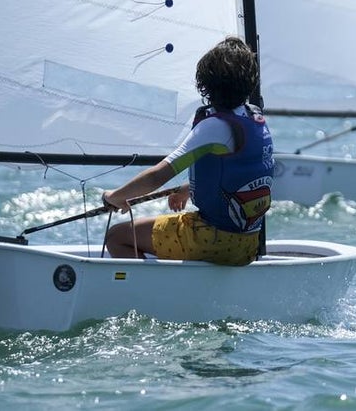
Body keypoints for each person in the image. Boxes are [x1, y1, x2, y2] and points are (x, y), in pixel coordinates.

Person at [102, 36, 273, 266]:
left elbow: (158, 175)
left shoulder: (214, 126)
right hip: (247, 243)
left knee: (117, 237)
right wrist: (188, 190)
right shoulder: (255, 119)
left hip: (210, 240)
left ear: (207, 85)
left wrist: (116, 197)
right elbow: (239, 176)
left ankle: (148, 298)